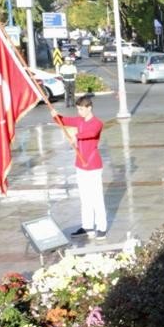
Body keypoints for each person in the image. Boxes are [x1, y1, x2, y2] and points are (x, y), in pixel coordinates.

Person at [54, 95, 108, 241]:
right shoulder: (79, 120)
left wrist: (76, 134)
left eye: (81, 109)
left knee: (96, 197)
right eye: (77, 109)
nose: (79, 112)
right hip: (80, 165)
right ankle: (87, 226)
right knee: (85, 198)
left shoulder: (97, 123)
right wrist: (56, 115)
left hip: (93, 165)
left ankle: (101, 227)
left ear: (89, 108)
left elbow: (91, 133)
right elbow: (64, 121)